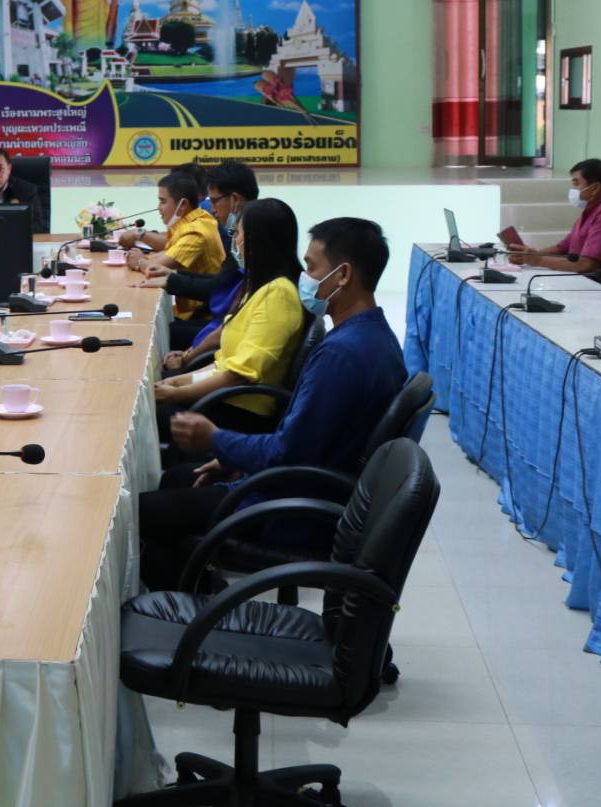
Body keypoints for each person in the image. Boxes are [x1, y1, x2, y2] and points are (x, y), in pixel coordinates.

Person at [139, 217, 407, 590]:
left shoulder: (342, 356)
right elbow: (303, 442)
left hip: (292, 508)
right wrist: (232, 459)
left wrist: (215, 439)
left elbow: (288, 451)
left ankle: (209, 612)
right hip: (304, 486)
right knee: (176, 481)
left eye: (312, 267)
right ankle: (203, 596)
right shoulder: (375, 337)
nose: (305, 278)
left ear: (343, 275)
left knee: (143, 515)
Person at [151, 198, 305, 442]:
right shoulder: (261, 287)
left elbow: (237, 374)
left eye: (239, 233)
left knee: (145, 415)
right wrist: (177, 382)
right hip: (223, 397)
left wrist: (175, 394)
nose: (235, 240)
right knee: (151, 392)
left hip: (239, 412)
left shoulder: (278, 295)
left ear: (256, 241)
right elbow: (223, 362)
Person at [142, 160, 259, 350]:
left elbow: (221, 288)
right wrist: (173, 276)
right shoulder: (239, 230)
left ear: (235, 199)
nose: (211, 208)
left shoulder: (253, 232)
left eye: (214, 201)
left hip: (231, 326)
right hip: (226, 320)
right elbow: (223, 281)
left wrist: (172, 280)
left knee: (155, 333)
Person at [507, 158, 601, 296]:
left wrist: (538, 260)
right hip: (585, 288)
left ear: (595, 188)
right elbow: (562, 247)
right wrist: (529, 255)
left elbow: (586, 265)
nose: (573, 190)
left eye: (576, 184)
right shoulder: (592, 210)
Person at [126, 170, 224, 321]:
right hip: (189, 311)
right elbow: (165, 254)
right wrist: (142, 259)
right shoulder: (189, 222)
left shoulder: (196, 230)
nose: (159, 207)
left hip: (203, 316)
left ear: (183, 204)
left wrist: (140, 261)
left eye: (163, 202)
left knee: (141, 318)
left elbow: (155, 268)